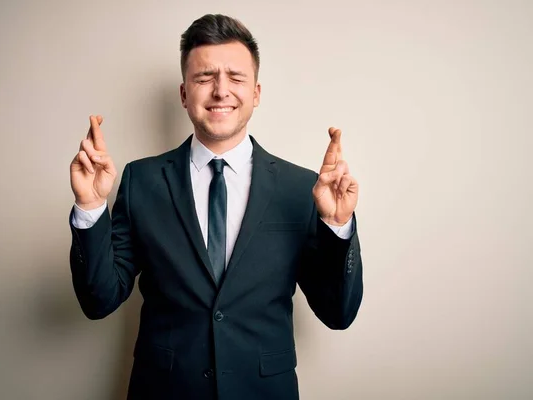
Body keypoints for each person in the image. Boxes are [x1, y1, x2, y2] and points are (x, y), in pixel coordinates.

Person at [68, 13, 362, 400]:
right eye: (205, 78)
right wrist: (90, 207)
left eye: (236, 78)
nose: (221, 91)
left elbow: (338, 314)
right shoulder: (142, 180)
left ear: (256, 92)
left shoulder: (302, 188)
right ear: (184, 93)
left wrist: (337, 226)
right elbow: (98, 300)